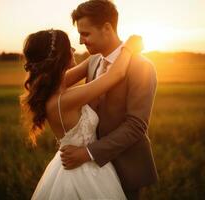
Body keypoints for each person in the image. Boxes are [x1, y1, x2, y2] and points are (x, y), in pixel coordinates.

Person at [20, 29, 142, 199]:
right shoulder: (65, 99)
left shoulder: (51, 88)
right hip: (84, 173)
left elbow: (92, 61)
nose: (74, 50)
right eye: (69, 47)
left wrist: (101, 46)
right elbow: (116, 74)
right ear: (60, 57)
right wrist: (128, 47)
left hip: (77, 166)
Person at [60, 0, 159, 199]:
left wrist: (87, 153)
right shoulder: (93, 60)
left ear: (107, 28)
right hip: (89, 172)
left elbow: (136, 125)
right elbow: (56, 83)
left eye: (85, 33)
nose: (80, 41)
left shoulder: (142, 66)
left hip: (125, 168)